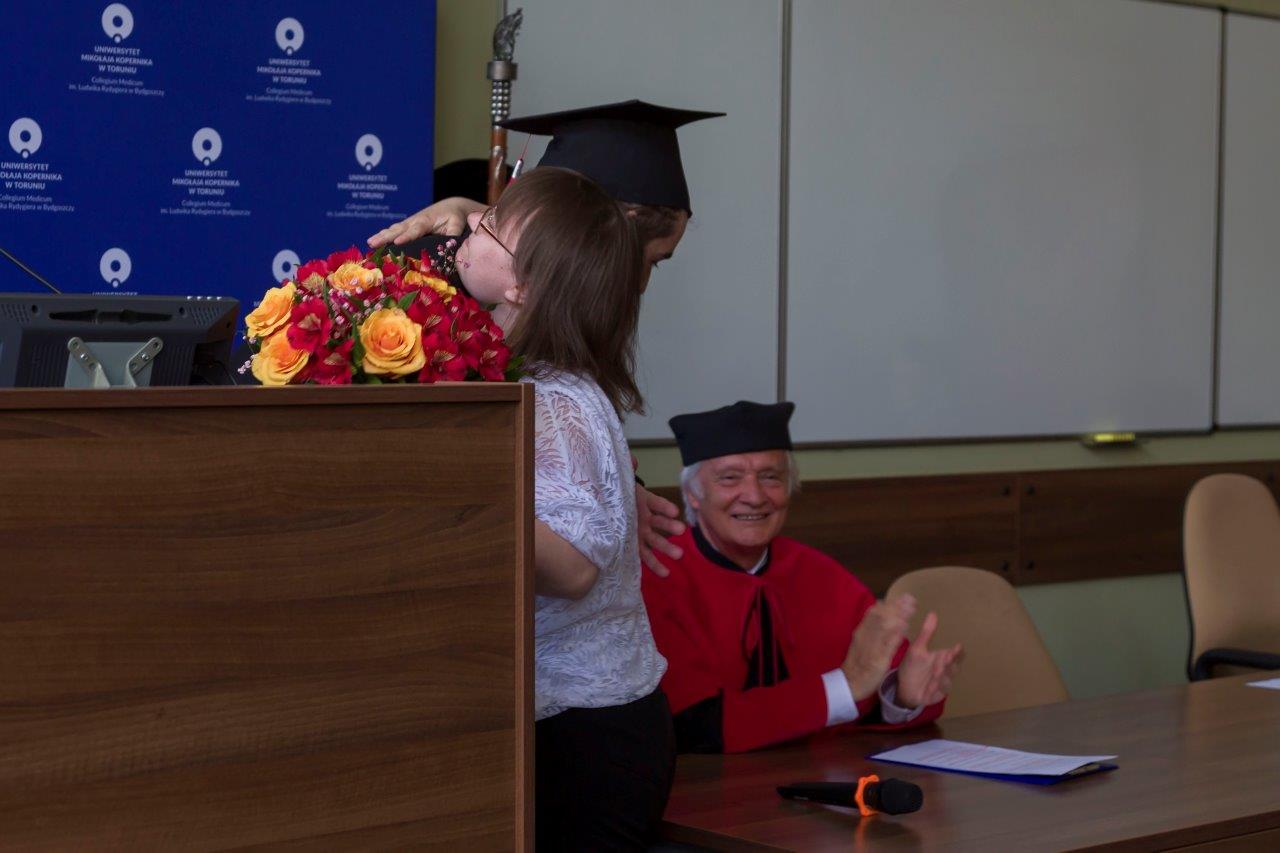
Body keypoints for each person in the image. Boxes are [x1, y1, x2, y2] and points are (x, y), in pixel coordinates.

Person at [368, 100, 724, 578]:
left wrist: (612, 489)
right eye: (643, 259)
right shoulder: (428, 282)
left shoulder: (548, 313)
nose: (638, 285)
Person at [464, 166, 673, 850]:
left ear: (523, 287)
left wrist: (459, 500)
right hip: (577, 723)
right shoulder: (541, 377)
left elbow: (577, 566)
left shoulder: (552, 400)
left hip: (586, 736)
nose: (471, 224)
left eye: (491, 226)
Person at [641, 401, 964, 754]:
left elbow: (876, 689)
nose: (754, 496)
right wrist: (846, 685)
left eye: (771, 477)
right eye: (730, 478)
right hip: (705, 784)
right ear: (693, 494)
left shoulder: (819, 572)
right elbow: (693, 725)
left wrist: (901, 695)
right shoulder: (657, 575)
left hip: (822, 775)